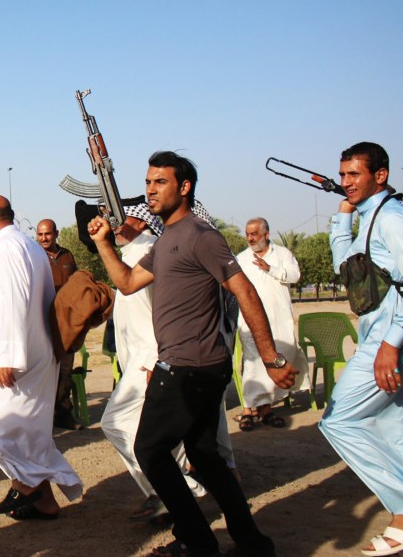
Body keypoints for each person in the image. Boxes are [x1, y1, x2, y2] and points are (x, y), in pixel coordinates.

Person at [89, 151, 297, 557]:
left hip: (190, 367)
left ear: (184, 187)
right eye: (148, 182)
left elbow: (244, 290)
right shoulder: (169, 239)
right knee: (205, 455)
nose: (150, 189)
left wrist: (271, 358)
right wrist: (101, 244)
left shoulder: (200, 235)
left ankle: (198, 540)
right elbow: (128, 282)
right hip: (194, 366)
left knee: (149, 449)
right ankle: (253, 543)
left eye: (160, 182)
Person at [99, 202, 238, 523]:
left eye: (122, 217)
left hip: (155, 359)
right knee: (174, 439)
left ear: (142, 222)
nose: (114, 223)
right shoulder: (136, 254)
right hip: (147, 360)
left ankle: (179, 490)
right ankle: (171, 496)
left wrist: (156, 361)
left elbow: (169, 312)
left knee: (118, 424)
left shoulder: (149, 251)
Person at [319, 142, 403, 556]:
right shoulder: (369, 215)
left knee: (339, 420)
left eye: (354, 175)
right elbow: (347, 268)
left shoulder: (392, 218)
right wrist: (341, 218)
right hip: (381, 333)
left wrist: (390, 347)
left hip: (395, 338)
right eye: (343, 175)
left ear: (379, 176)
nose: (346, 183)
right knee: (397, 427)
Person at [0, 196, 83, 521]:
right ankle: (44, 501)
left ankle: (26, 484)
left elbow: (14, 303)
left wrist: (8, 355)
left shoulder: (8, 249)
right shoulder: (29, 246)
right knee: (27, 429)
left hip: (19, 353)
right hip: (37, 348)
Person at [235, 217, 309, 431]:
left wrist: (272, 269)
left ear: (266, 235)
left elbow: (295, 276)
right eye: (247, 234)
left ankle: (266, 410)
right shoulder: (241, 259)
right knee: (252, 362)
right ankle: (248, 410)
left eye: (254, 234)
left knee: (278, 360)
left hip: (279, 319)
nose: (250, 238)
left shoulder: (283, 255)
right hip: (250, 322)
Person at [36, 218, 81, 430]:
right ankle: (42, 418)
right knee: (42, 370)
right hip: (44, 321)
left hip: (67, 322)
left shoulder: (67, 255)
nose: (44, 238)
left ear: (56, 233)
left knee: (65, 369)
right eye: (40, 234)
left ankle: (63, 415)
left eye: (47, 234)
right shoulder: (34, 256)